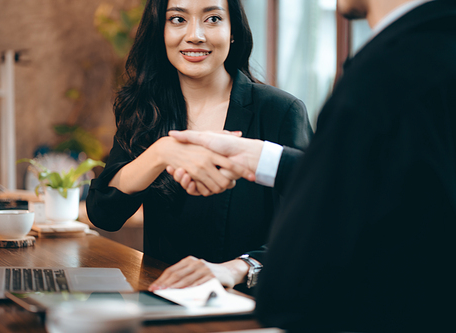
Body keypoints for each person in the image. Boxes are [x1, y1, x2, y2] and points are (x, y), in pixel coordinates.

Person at [168, 0, 456, 331]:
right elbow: (396, 184)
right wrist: (262, 158)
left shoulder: (388, 73)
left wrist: (244, 269)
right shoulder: (436, 49)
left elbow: (295, 285)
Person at [85, 0, 313, 292]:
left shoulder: (280, 111)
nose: (195, 35)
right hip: (164, 303)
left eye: (213, 19)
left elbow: (313, 222)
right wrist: (161, 152)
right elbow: (104, 213)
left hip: (250, 307)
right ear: (160, 31)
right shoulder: (144, 111)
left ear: (233, 32)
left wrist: (237, 268)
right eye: (178, 19)